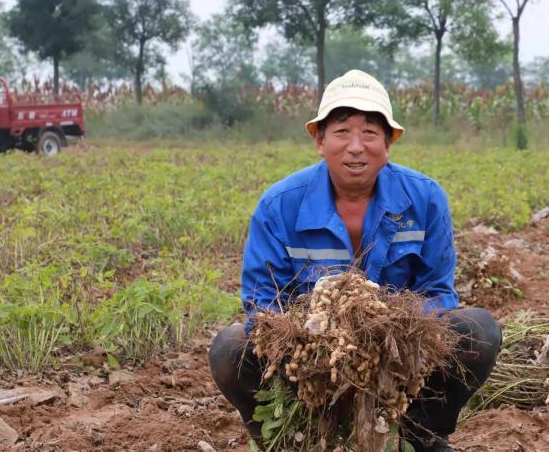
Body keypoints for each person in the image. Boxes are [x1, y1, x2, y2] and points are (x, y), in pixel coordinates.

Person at [209, 70, 502, 451]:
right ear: (320, 140)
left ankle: (422, 436)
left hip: (402, 354)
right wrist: (312, 344)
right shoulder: (279, 205)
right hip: (308, 357)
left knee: (477, 329)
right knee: (231, 348)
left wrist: (390, 334)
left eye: (369, 133)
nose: (356, 146)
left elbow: (437, 291)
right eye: (342, 132)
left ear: (388, 142)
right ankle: (286, 438)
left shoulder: (425, 199)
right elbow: (261, 301)